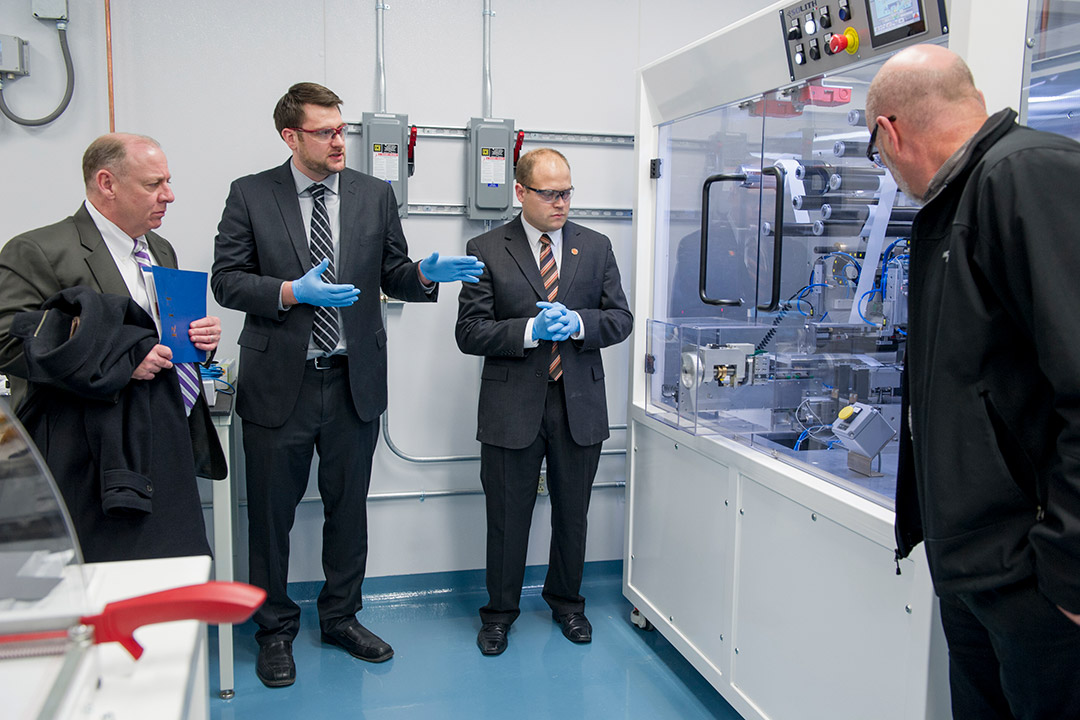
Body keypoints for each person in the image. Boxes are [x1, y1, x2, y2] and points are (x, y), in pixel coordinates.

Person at [211, 82, 484, 688]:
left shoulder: (373, 193)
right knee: (272, 520)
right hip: (279, 383)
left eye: (342, 129)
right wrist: (289, 291)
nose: (340, 141)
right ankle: (274, 631)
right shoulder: (251, 195)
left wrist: (421, 274)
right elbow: (227, 281)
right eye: (326, 131)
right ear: (291, 136)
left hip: (352, 380)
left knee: (347, 511)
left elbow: (392, 269)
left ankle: (340, 618)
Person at [868, 44, 1080, 718]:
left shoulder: (1026, 176)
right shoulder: (953, 202)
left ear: (889, 130)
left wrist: (1070, 568)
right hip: (974, 564)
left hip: (1033, 577)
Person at [0, 133, 226, 561]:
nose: (169, 195)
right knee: (107, 575)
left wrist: (200, 341)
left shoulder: (160, 250)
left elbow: (156, 335)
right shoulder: (39, 250)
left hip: (166, 436)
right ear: (107, 183)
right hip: (87, 451)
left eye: (168, 182)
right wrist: (120, 357)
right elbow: (7, 338)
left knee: (173, 567)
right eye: (153, 184)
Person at [456, 148, 632, 656]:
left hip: (578, 403)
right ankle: (499, 614)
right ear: (520, 192)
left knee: (573, 513)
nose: (561, 203)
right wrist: (529, 330)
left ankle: (567, 605)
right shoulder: (486, 248)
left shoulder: (595, 247)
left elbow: (619, 318)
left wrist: (579, 323)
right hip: (513, 407)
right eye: (550, 193)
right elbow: (469, 332)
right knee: (507, 515)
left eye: (567, 192)